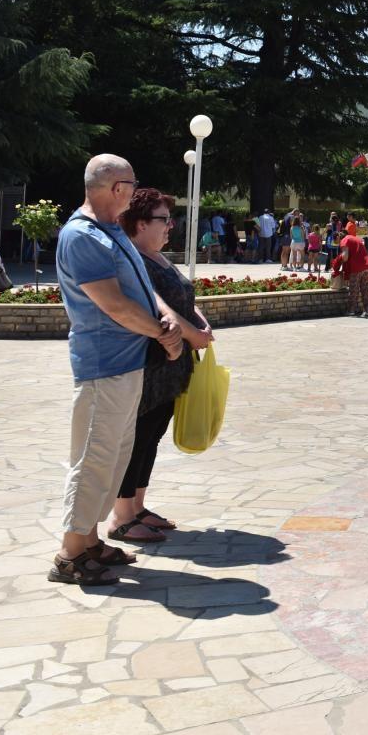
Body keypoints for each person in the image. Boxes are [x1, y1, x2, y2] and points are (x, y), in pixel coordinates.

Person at [51, 155, 183, 586]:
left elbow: (138, 292)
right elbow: (113, 304)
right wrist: (162, 334)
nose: (134, 189)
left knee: (111, 460)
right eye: (131, 182)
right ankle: (70, 555)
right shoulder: (83, 235)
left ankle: (89, 541)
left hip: (125, 367)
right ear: (116, 188)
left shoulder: (111, 230)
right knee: (93, 461)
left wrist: (163, 324)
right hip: (103, 367)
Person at [106, 189, 213, 545]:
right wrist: (193, 335)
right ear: (139, 224)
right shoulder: (136, 261)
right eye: (163, 219)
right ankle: (121, 516)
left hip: (173, 364)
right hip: (151, 361)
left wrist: (200, 323)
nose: (170, 226)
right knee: (136, 437)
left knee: (152, 434)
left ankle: (137, 506)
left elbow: (182, 298)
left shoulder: (158, 257)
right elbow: (158, 309)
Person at [333, 225, 368, 316]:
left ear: (338, 237)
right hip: (367, 265)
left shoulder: (344, 240)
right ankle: (366, 311)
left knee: (353, 289)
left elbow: (345, 257)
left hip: (357, 267)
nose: (338, 245)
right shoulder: (355, 238)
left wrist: (338, 260)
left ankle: (351, 310)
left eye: (337, 242)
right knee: (365, 289)